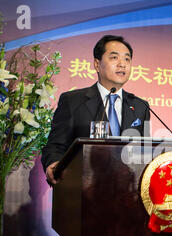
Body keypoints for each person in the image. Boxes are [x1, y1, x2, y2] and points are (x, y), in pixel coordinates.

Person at [41, 34, 150, 185]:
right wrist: (53, 163)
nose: (122, 64)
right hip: (84, 188)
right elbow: (55, 146)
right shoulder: (72, 101)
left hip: (128, 193)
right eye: (114, 58)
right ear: (97, 64)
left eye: (127, 59)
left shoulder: (140, 106)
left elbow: (144, 153)